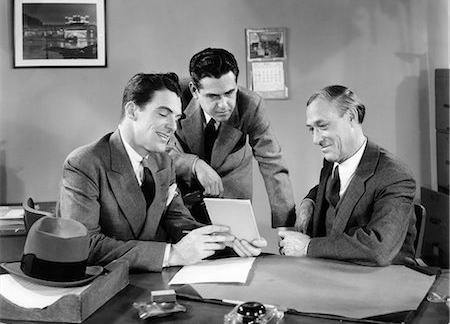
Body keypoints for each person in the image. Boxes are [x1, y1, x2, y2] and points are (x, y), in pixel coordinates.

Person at [59, 72, 266, 272]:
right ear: (132, 111)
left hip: (155, 282)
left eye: (176, 117)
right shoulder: (84, 163)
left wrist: (225, 240)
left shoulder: (164, 161)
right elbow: (85, 245)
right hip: (108, 286)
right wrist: (172, 254)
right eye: (163, 113)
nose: (173, 127)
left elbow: (176, 219)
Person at [278, 85, 416, 266]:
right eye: (311, 129)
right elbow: (332, 188)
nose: (316, 139)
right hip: (333, 272)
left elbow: (378, 248)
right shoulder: (332, 160)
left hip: (381, 282)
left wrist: (307, 247)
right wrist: (309, 201)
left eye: (322, 126)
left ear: (351, 117)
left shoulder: (395, 176)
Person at [167, 48, 296, 228]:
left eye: (229, 93)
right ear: (194, 90)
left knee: (238, 252)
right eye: (213, 96)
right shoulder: (174, 95)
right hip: (184, 192)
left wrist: (286, 226)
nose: (224, 105)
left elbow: (273, 163)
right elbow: (155, 151)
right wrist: (194, 165)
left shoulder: (251, 105)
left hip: (232, 193)